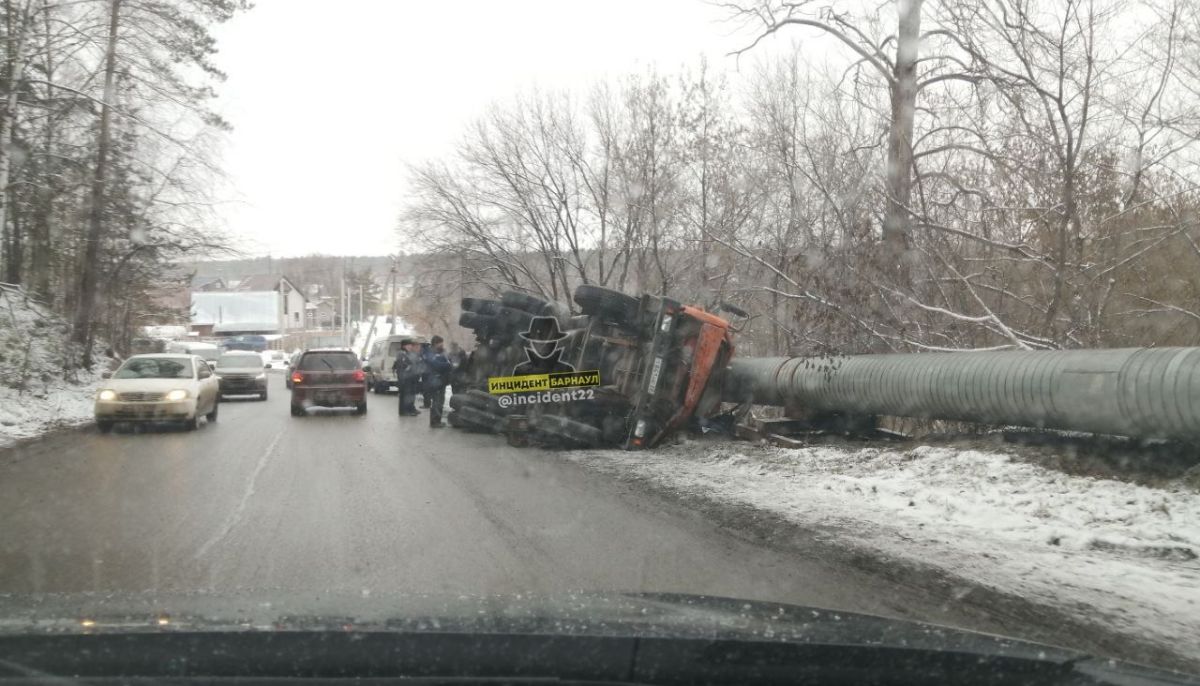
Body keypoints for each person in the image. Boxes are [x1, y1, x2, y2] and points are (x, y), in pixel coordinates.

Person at [422, 336, 453, 428]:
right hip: (435, 380)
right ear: (435, 343)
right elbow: (437, 365)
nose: (442, 345)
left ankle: (437, 420)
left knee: (440, 401)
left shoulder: (441, 352)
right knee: (437, 401)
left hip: (441, 380)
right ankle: (435, 422)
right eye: (441, 343)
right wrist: (447, 365)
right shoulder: (430, 353)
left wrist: (447, 364)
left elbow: (449, 362)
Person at [393, 339, 419, 416]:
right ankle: (404, 412)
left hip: (408, 378)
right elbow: (403, 366)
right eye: (409, 345)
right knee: (404, 395)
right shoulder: (401, 354)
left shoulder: (406, 353)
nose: (411, 346)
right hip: (404, 378)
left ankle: (409, 410)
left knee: (408, 394)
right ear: (404, 346)